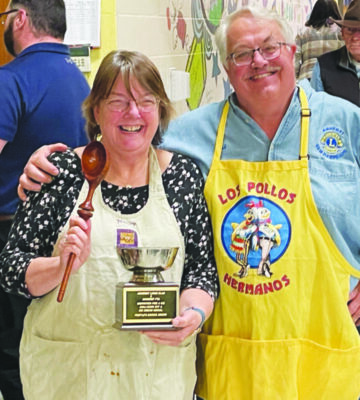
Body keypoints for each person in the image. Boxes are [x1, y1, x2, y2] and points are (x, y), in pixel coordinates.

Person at [16, 6, 360, 400]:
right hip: (232, 360)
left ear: (292, 50)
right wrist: (48, 163)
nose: (258, 62)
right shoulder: (189, 136)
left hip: (327, 354)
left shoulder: (347, 122)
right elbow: (125, 148)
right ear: (227, 68)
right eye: (241, 54)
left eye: (269, 47)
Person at [0, 49, 217, 400]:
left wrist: (193, 312)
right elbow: (11, 268)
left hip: (155, 377)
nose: (133, 113)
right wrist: (59, 266)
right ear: (96, 110)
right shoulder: (61, 173)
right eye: (118, 101)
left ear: (160, 111)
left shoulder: (183, 177)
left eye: (146, 101)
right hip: (70, 377)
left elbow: (201, 272)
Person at [0, 0, 89, 398]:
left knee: (12, 352)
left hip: (16, 239)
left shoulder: (10, 80)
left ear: (19, 18)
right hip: (74, 242)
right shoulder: (82, 80)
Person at [311, 0, 360, 105]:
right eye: (350, 30)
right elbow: (315, 111)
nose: (355, 38)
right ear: (342, 33)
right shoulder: (323, 66)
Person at [295, 0, 343, 80]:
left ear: (315, 12)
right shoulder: (341, 33)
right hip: (335, 80)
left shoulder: (303, 33)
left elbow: (295, 61)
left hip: (308, 80)